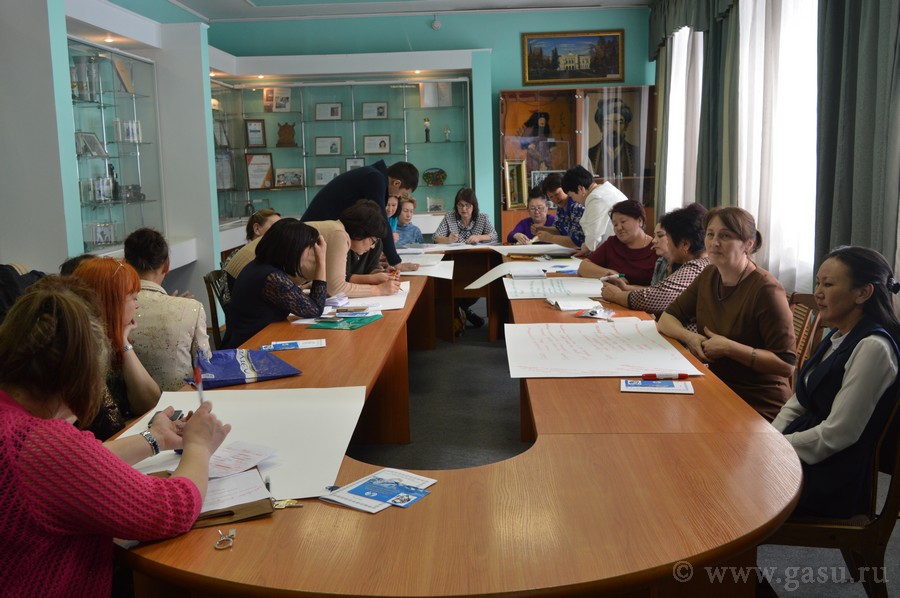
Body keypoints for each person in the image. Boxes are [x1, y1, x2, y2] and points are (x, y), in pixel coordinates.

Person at [0, 275, 230, 597]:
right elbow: (171, 509)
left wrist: (155, 438)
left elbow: (77, 466)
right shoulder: (38, 443)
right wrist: (199, 446)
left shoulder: (14, 426)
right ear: (82, 374)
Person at [772, 246, 900, 518]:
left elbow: (839, 433)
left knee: (729, 489)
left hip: (830, 478)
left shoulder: (873, 348)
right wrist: (770, 437)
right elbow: (799, 401)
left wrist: (777, 447)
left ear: (863, 293)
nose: (817, 292)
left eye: (828, 284)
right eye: (818, 282)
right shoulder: (837, 335)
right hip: (799, 456)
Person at [658, 207, 796, 421]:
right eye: (710, 234)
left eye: (725, 236)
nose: (714, 243)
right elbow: (667, 319)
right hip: (716, 386)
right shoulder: (709, 274)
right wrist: (690, 337)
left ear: (748, 244)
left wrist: (730, 348)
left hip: (757, 402)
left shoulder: (766, 289)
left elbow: (786, 365)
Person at [73, 258, 162, 440]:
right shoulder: (85, 353)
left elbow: (150, 401)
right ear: (111, 302)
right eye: (133, 297)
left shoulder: (111, 341)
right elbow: (111, 428)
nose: (137, 305)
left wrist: (123, 341)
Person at [124, 228, 212, 391]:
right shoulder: (192, 308)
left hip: (128, 404)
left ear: (125, 263)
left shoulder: (114, 308)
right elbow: (205, 366)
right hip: (180, 402)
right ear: (166, 265)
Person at [223, 218, 327, 349]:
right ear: (294, 248)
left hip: (255, 340)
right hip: (248, 347)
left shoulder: (260, 266)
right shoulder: (270, 277)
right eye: (310, 247)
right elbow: (315, 309)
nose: (312, 252)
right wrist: (321, 261)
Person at [601, 203, 709, 321]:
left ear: (685, 244)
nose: (667, 244)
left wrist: (615, 295)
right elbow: (656, 291)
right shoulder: (682, 263)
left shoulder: (696, 267)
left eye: (668, 239)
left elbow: (650, 298)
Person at [301, 160, 418, 268]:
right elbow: (381, 220)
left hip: (320, 229)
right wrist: (395, 262)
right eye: (402, 193)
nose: (398, 196)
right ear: (396, 183)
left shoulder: (373, 174)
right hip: (312, 233)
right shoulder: (375, 178)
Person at [578, 199, 657, 286]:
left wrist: (626, 289)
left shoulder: (656, 248)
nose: (619, 228)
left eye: (623, 222)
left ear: (640, 221)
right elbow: (583, 267)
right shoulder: (612, 243)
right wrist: (610, 273)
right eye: (615, 224)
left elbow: (659, 289)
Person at [560, 165, 626, 252]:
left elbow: (593, 236)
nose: (573, 200)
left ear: (581, 189)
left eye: (571, 195)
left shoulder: (596, 198)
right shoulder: (604, 190)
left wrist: (585, 248)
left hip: (617, 251)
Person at [220, 209, 281, 301]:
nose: (281, 232)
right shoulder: (244, 257)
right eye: (275, 227)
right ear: (257, 229)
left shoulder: (266, 254)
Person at [587, 97, 640, 179]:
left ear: (626, 126)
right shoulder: (589, 154)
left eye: (619, 122)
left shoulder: (637, 153)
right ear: (600, 127)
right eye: (607, 123)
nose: (613, 128)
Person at [533, 173, 585, 249]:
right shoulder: (561, 208)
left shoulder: (577, 206)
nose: (555, 199)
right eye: (551, 197)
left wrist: (550, 238)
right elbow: (559, 230)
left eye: (557, 194)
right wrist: (543, 229)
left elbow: (577, 242)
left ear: (565, 189)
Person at [433, 188, 498, 245]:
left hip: (477, 253)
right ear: (456, 206)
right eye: (460, 205)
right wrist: (447, 239)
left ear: (474, 206)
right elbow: (435, 237)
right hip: (455, 253)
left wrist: (479, 237)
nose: (464, 209)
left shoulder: (482, 218)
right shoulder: (449, 217)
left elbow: (494, 235)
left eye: (468, 205)